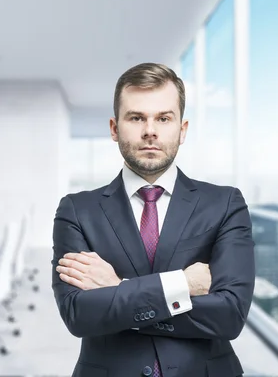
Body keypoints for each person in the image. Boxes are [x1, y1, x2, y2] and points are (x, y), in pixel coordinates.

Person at [51, 62, 255, 377]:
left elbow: (229, 315)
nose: (150, 130)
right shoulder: (77, 211)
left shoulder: (225, 205)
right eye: (136, 118)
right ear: (114, 128)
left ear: (182, 129)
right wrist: (183, 285)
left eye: (163, 118)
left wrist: (119, 289)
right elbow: (79, 315)